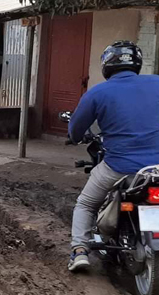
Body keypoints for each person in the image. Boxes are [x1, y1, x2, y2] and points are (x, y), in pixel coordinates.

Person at [67, 41, 159, 272]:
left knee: (86, 204)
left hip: (119, 167)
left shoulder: (97, 92)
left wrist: (78, 137)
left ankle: (79, 251)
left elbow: (75, 132)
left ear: (107, 66)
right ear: (136, 64)